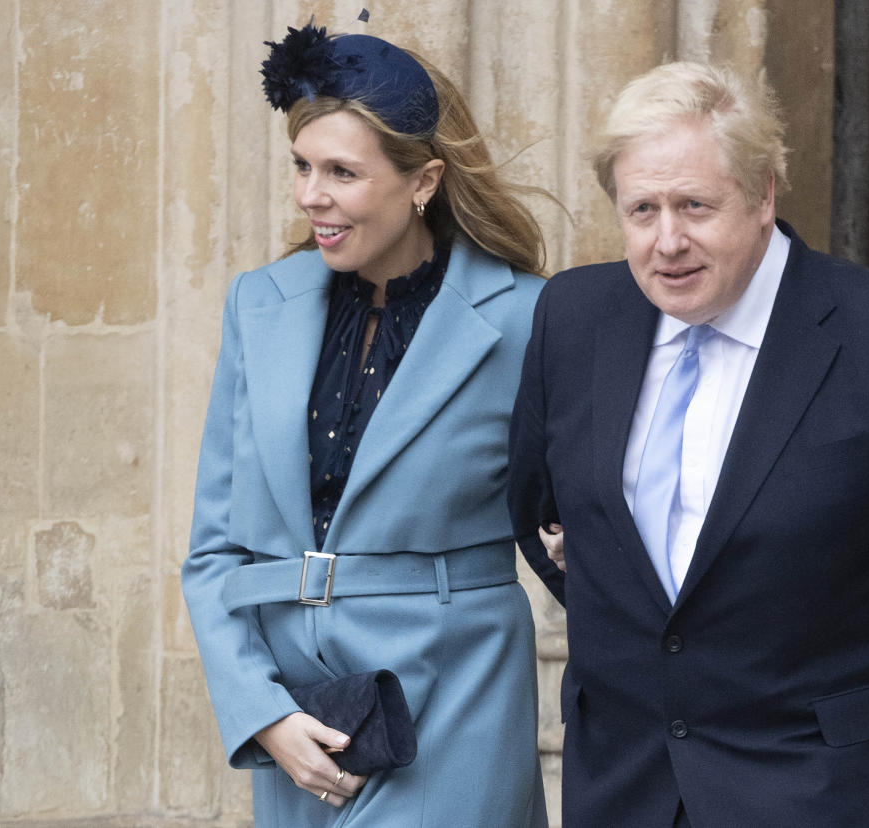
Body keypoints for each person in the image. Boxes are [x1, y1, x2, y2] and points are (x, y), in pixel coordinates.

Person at [508, 61, 869, 827]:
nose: (667, 242)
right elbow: (542, 515)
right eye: (641, 210)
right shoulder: (573, 316)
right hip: (620, 784)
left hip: (815, 789)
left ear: (764, 192)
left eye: (695, 205)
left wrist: (863, 714)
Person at [183, 21, 547, 827]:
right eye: (303, 167)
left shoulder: (526, 318)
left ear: (424, 181)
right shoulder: (259, 305)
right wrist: (262, 713)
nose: (313, 194)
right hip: (297, 718)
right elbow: (214, 551)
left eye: (343, 172)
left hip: (457, 701)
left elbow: (580, 522)